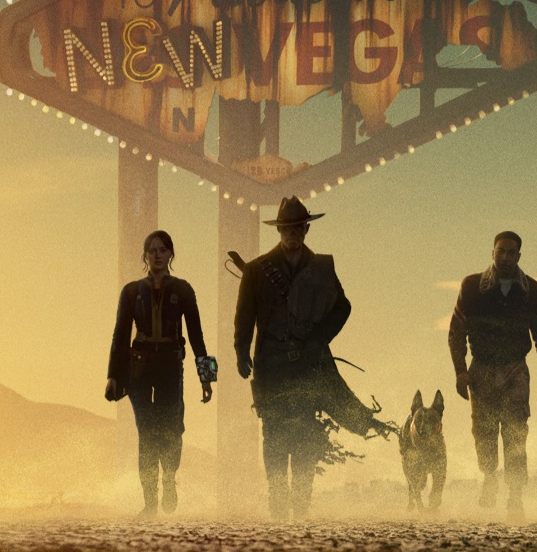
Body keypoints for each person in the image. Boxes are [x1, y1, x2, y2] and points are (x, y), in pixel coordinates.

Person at [233, 196, 356, 520]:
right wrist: (240, 350)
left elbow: (342, 307)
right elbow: (244, 316)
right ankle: (277, 497)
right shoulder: (257, 270)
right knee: (273, 432)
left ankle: (301, 501)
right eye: (287, 228)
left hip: (305, 363)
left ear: (306, 229)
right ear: (279, 230)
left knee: (304, 431)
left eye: (297, 227)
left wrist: (319, 339)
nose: (292, 233)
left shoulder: (321, 268)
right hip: (270, 363)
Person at [448, 231, 537, 523]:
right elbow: (457, 331)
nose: (506, 257)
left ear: (519, 256)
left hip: (515, 369)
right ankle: (489, 476)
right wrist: (460, 370)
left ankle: (515, 497)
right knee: (483, 431)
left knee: (515, 432)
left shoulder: (531, 290)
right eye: (501, 251)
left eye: (511, 253)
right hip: (482, 367)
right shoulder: (472, 286)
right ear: (493, 253)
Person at [106, 230, 215, 517]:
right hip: (139, 368)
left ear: (170, 254)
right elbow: (120, 335)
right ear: (145, 255)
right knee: (146, 432)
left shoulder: (184, 289)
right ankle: (150, 501)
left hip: (170, 366)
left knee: (171, 429)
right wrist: (112, 376)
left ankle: (169, 479)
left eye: (162, 250)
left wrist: (207, 377)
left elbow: (197, 335)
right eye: (152, 250)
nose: (157, 255)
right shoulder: (131, 291)